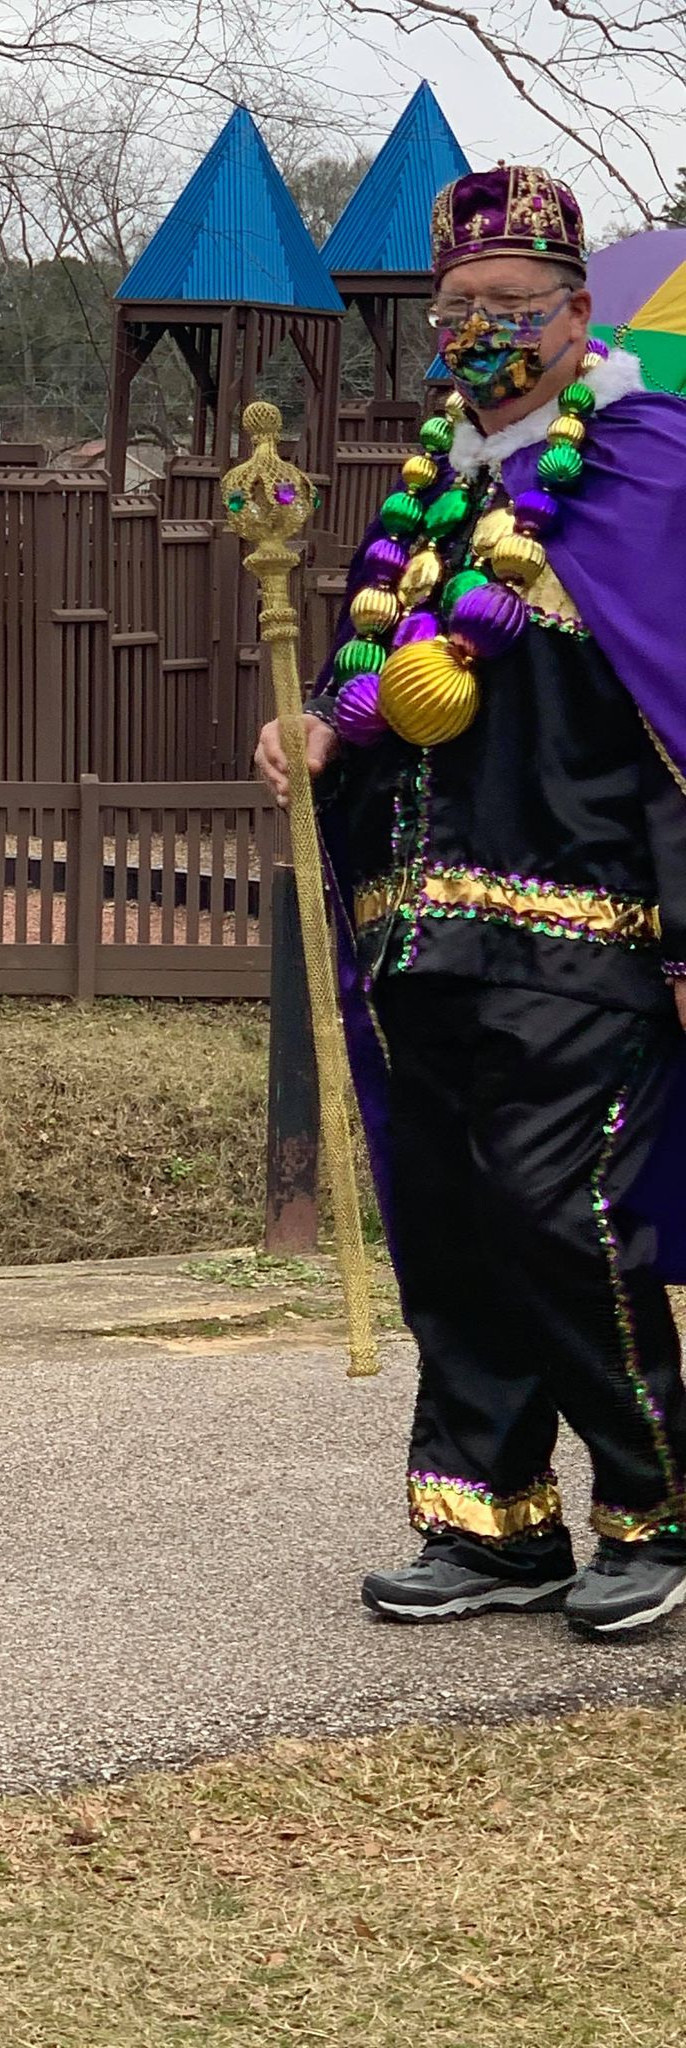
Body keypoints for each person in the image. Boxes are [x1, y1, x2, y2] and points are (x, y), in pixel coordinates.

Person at [256, 165, 686, 1638]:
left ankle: (654, 1506)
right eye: (455, 308)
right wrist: (316, 730)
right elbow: (376, 691)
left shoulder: (653, 471)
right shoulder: (428, 496)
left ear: (576, 312)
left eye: (509, 303)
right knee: (449, 1214)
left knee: (559, 1205)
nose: (479, 329)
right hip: (420, 919)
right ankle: (492, 1520)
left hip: (587, 922)